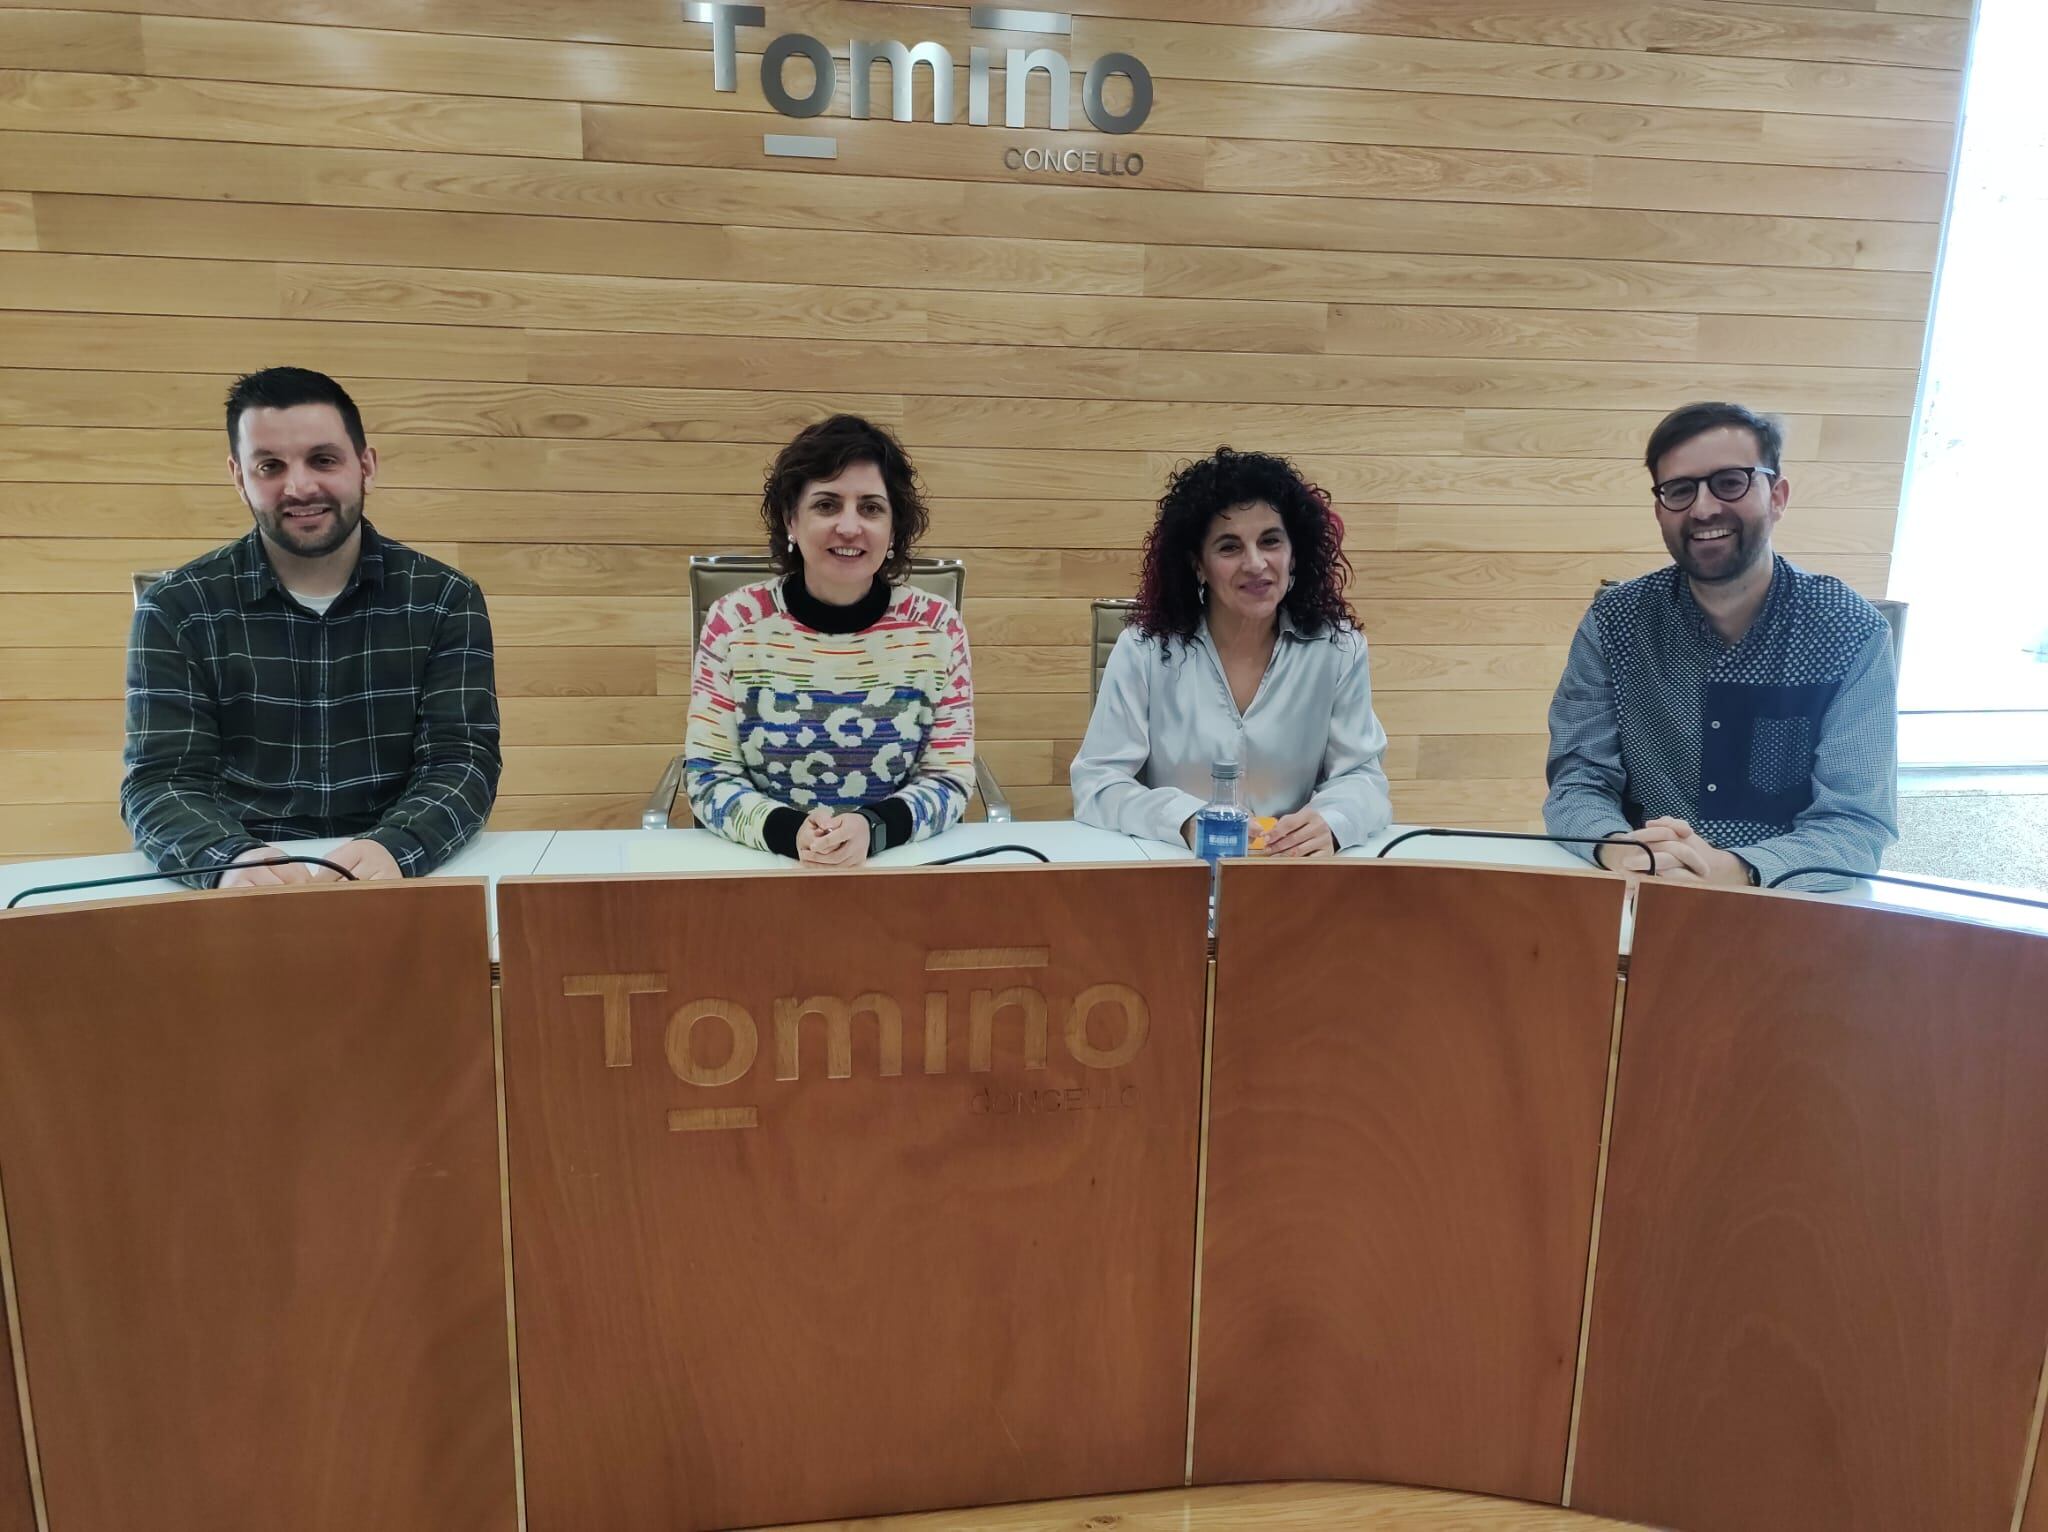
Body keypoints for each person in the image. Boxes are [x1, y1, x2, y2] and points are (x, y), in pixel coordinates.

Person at [122, 367, 502, 889]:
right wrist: (228, 859)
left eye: (323, 460)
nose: (299, 486)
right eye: (270, 466)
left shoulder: (443, 599)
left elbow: (462, 762)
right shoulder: (177, 608)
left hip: (397, 873)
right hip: (242, 878)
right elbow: (161, 783)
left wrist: (398, 845)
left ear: (365, 465)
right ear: (239, 477)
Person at [1544, 401, 1897, 887]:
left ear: (1777, 496)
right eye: (1680, 490)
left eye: (1730, 482)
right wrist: (1616, 846)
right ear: (1659, 510)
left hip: (1786, 899)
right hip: (1643, 886)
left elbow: (1856, 825)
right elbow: (1577, 782)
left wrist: (1731, 870)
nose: (1704, 507)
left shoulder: (1850, 631)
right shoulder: (1615, 621)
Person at [1070, 446, 1392, 854]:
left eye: (1271, 541)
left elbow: (1364, 777)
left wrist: (1332, 821)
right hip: (1172, 870)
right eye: (1229, 547)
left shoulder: (1338, 650)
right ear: (1198, 565)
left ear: (1295, 554)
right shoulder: (1144, 650)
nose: (1256, 564)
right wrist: (1185, 820)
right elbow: (1097, 783)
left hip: (1291, 875)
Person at [685, 414, 974, 866]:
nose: (849, 526)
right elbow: (709, 777)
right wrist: (789, 833)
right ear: (791, 521)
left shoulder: (938, 627)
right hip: (767, 863)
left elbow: (949, 778)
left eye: (871, 507)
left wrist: (871, 829)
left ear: (894, 530)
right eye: (826, 504)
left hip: (893, 864)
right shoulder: (734, 621)